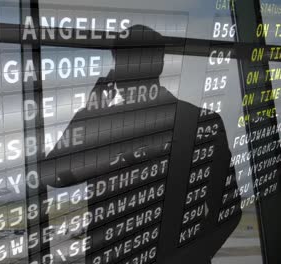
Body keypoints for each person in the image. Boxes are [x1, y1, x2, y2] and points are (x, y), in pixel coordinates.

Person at [41, 25, 241, 264]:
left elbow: (53, 175)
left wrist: (89, 114)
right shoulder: (201, 121)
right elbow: (228, 211)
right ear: (160, 63)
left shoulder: (102, 126)